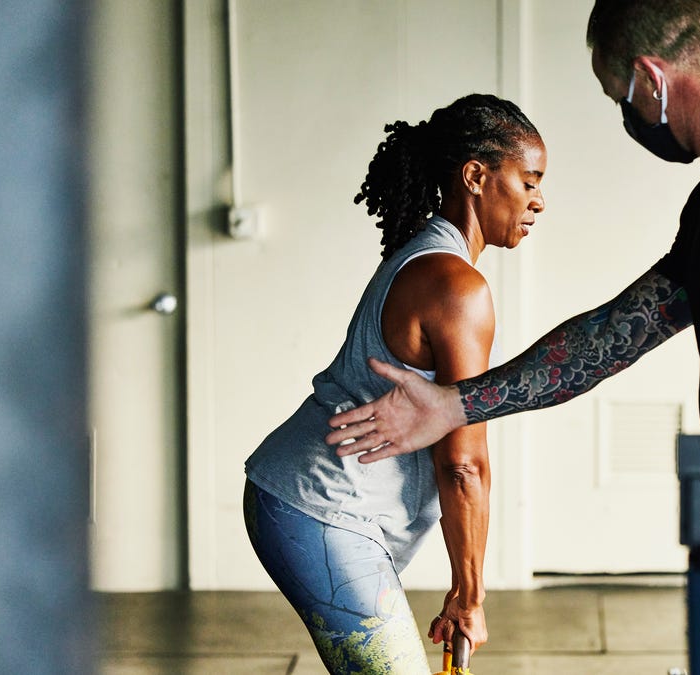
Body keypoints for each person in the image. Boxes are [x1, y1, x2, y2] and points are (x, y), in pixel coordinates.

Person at [326, 1, 700, 673]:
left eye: (621, 97)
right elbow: (615, 334)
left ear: (651, 79)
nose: (628, 116)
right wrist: (456, 403)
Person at [243, 93, 546, 674]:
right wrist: (469, 594)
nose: (539, 200)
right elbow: (462, 463)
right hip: (323, 506)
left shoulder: (424, 257)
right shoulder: (457, 287)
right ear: (476, 177)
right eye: (528, 181)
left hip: (304, 497)